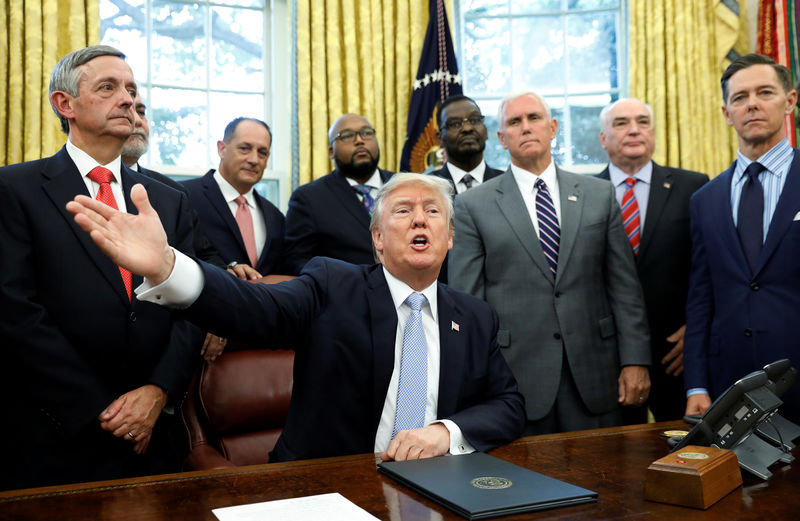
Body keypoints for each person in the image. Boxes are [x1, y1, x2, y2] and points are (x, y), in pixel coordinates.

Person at [66, 173, 526, 463]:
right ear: (378, 240)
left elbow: (508, 406)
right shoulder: (332, 284)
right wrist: (169, 266)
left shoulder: (475, 316)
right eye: (403, 211)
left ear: (449, 240)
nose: (419, 220)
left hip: (440, 486)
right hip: (328, 488)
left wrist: (444, 434)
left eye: (432, 213)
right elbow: (251, 308)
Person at [0, 45, 199, 490]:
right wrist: (101, 409)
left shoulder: (169, 201)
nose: (127, 99)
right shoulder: (14, 189)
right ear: (64, 104)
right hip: (54, 436)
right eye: (108, 88)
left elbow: (191, 311)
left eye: (131, 89)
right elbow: (14, 312)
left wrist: (158, 391)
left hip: (155, 438)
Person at [449, 91, 651, 435]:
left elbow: (624, 288)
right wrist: (476, 377)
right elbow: (467, 302)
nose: (526, 128)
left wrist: (636, 360)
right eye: (514, 122)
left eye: (534, 118)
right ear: (502, 138)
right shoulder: (472, 205)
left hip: (596, 373)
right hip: (516, 378)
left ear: (553, 127)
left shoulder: (599, 195)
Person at [684, 54, 800, 424]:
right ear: (726, 112)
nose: (752, 103)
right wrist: (696, 385)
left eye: (765, 92)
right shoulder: (706, 199)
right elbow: (701, 300)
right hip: (729, 387)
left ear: (790, 101)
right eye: (740, 97)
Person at [597, 98, 708, 423]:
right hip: (608, 358)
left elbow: (709, 268)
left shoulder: (695, 186)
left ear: (654, 132)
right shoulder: (582, 194)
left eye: (642, 122)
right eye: (621, 123)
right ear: (603, 138)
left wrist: (696, 332)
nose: (634, 130)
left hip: (678, 354)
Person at [283, 113, 394, 274]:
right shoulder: (309, 198)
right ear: (330, 151)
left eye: (367, 133)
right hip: (346, 294)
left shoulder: (405, 185)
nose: (359, 140)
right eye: (347, 136)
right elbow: (296, 261)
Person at [182, 117, 287, 277]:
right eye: (245, 148)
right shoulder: (183, 196)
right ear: (222, 149)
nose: (254, 160)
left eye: (262, 153)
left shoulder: (275, 216)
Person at [430, 95, 504, 194]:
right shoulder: (427, 187)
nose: (467, 128)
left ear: (485, 131)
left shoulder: (508, 184)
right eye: (455, 124)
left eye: (474, 120)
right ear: (440, 139)